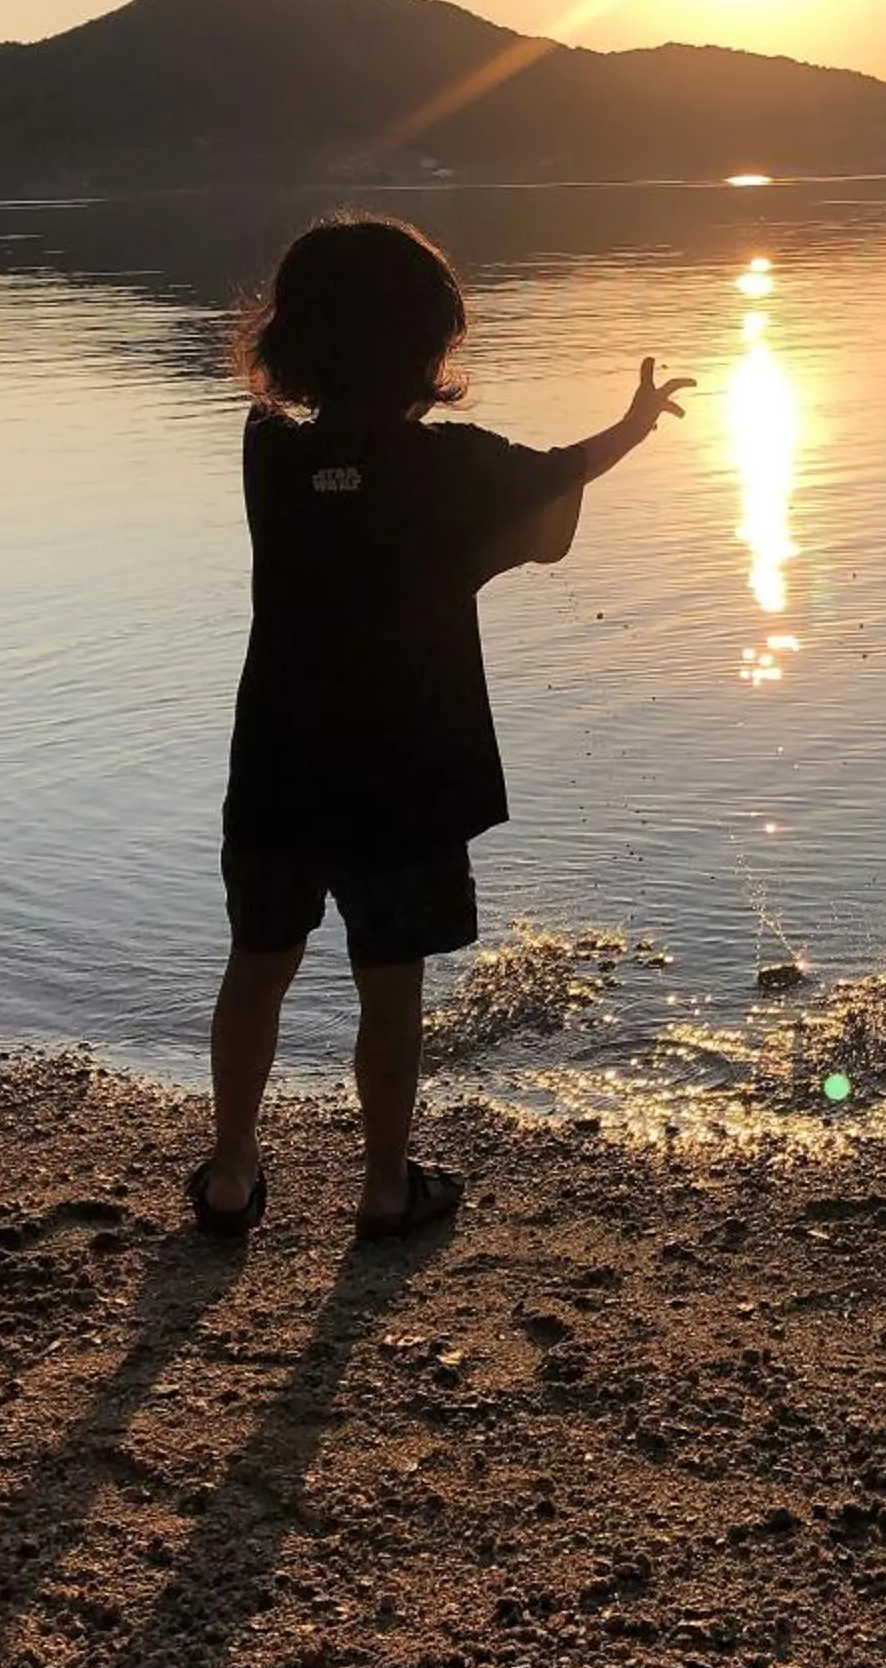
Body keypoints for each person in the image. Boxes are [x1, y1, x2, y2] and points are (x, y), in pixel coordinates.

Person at [193, 214, 691, 1242]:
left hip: (279, 765)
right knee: (390, 985)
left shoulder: (267, 452)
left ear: (289, 340)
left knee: (258, 966)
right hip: (405, 776)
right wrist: (635, 426)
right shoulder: (454, 466)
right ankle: (386, 1186)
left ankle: (232, 1174)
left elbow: (350, 477)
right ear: (430, 346)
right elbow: (556, 488)